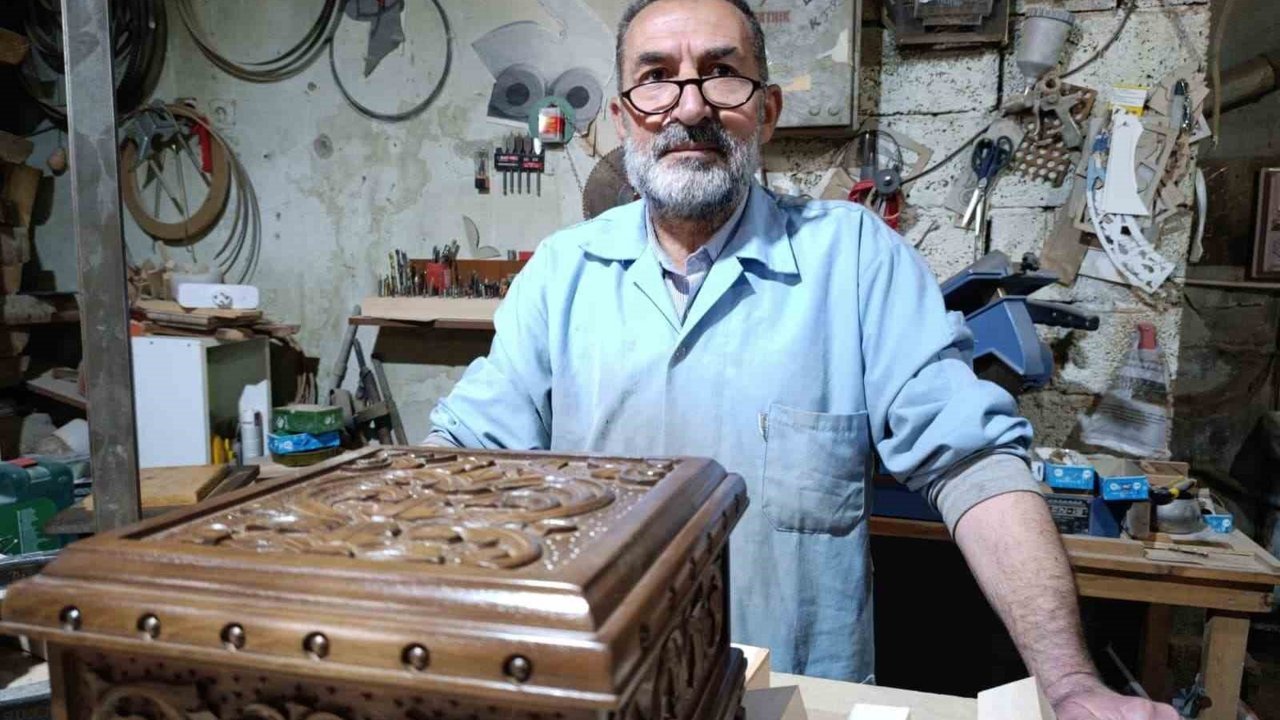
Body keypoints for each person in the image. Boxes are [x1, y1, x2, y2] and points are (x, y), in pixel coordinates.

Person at [427, 1, 1177, 717]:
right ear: (624, 118)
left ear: (768, 111)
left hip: (794, 698)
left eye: (721, 72)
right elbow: (458, 462)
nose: (690, 106)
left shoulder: (855, 257)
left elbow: (974, 465)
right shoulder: (563, 272)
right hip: (596, 688)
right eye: (656, 77)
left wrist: (1071, 685)